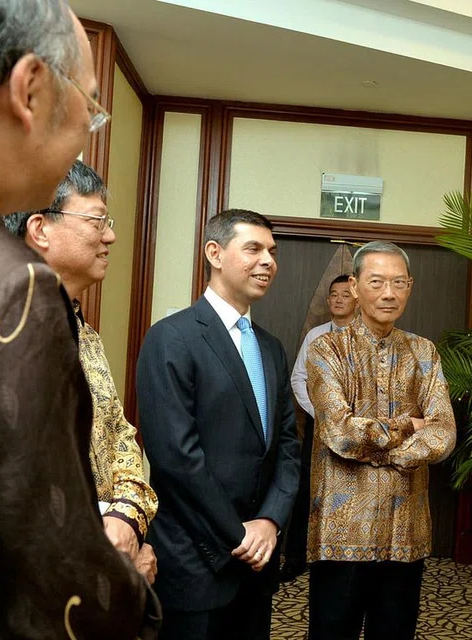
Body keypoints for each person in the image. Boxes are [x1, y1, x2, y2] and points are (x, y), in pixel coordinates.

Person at [0, 1, 158, 637]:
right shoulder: (8, 289)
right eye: (92, 107)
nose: (90, 128)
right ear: (30, 90)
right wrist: (136, 590)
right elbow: (58, 593)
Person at [137, 209, 301, 640]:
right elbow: (175, 457)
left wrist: (269, 522)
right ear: (215, 252)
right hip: (196, 561)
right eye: (253, 248)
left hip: (258, 561)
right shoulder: (171, 337)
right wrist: (238, 535)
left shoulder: (271, 348)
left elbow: (286, 446)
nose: (268, 261)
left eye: (272, 251)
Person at [4, 160, 159, 583]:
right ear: (40, 229)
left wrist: (128, 523)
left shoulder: (85, 335)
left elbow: (121, 438)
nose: (110, 236)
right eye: (96, 222)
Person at [305, 241, 456, 640]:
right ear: (354, 287)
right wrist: (409, 424)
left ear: (410, 286)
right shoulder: (326, 349)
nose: (389, 293)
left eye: (399, 283)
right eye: (376, 282)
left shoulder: (424, 352)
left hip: (405, 531)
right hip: (341, 534)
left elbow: (443, 432)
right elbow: (339, 431)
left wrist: (382, 450)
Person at [282, 273, 357, 581]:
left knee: (348, 489)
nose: (338, 300)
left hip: (356, 429)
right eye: (333, 295)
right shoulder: (316, 335)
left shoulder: (364, 336)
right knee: (306, 492)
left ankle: (342, 557)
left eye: (344, 295)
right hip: (318, 427)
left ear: (356, 299)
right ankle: (297, 558)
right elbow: (298, 378)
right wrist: (320, 413)